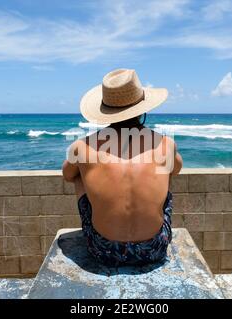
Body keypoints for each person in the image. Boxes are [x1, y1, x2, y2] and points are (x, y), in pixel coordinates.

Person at [62, 69, 182, 266]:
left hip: (103, 250)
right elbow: (176, 170)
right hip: (154, 249)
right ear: (142, 107)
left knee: (78, 174)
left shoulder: (82, 146)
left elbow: (68, 175)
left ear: (106, 110)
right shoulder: (166, 144)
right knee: (165, 170)